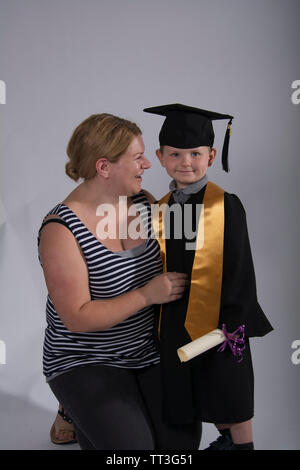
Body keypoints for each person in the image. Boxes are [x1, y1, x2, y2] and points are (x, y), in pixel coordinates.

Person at [38, 112, 202, 450]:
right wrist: (146, 295)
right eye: (138, 157)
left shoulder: (144, 203)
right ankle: (73, 406)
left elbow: (186, 252)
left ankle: (86, 416)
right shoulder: (60, 230)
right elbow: (78, 317)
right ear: (104, 167)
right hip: (86, 358)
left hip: (147, 351)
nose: (147, 165)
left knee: (179, 449)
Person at [143, 103, 273, 450]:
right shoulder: (162, 207)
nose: (186, 162)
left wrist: (232, 325)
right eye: (176, 154)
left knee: (230, 392)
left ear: (212, 155)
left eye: (195, 153)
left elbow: (240, 268)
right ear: (160, 157)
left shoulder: (225, 204)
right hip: (173, 320)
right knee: (188, 392)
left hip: (222, 321)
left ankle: (239, 445)